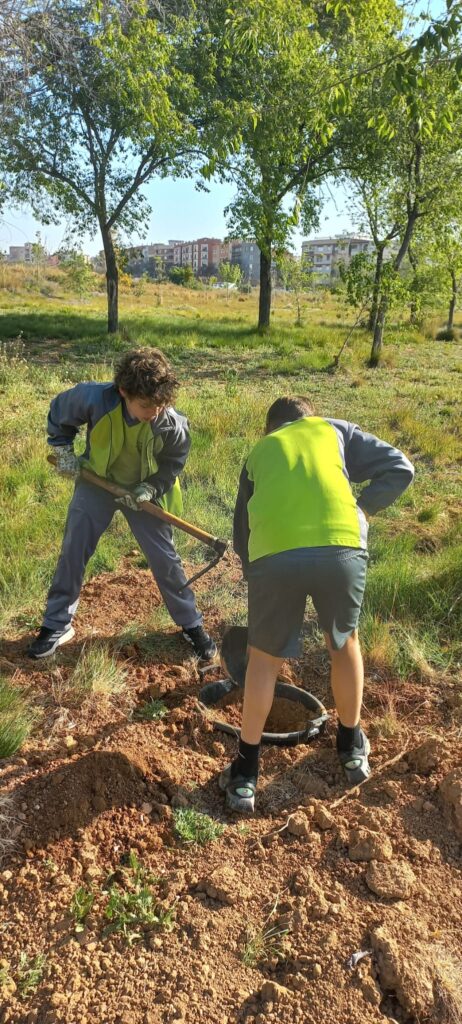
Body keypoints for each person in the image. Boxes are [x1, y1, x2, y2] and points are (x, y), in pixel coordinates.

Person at [219, 396, 414, 812]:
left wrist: (258, 575)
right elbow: (401, 467)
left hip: (275, 560)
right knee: (344, 644)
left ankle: (245, 775)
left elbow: (242, 536)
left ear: (270, 429)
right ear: (309, 418)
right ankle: (351, 747)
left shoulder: (259, 452)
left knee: (263, 661)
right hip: (341, 549)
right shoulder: (334, 430)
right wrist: (363, 509)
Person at [27, 347, 217, 662]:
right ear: (124, 392)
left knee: (165, 559)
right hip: (96, 483)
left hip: (143, 494)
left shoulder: (172, 424)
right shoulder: (93, 399)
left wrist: (150, 488)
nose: (153, 412)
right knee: (74, 549)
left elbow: (172, 465)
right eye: (145, 405)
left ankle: (191, 624)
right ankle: (56, 624)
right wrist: (63, 451)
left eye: (160, 405)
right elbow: (60, 414)